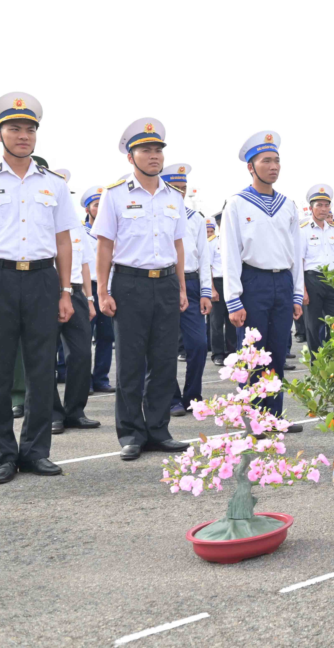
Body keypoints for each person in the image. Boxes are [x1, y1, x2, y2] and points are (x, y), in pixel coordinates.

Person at [0, 92, 79, 484]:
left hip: (41, 279)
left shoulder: (52, 183)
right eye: (14, 128)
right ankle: (3, 455)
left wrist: (65, 290)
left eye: (29, 129)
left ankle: (36, 452)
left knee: (41, 371)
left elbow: (63, 241)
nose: (23, 135)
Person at [92, 117, 190, 461]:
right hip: (129, 283)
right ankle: (131, 433)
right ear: (130, 157)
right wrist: (102, 291)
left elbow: (178, 245)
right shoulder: (115, 195)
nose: (154, 156)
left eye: (158, 150)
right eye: (145, 150)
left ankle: (159, 430)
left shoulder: (173, 196)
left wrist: (180, 287)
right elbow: (104, 246)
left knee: (163, 362)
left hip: (164, 283)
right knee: (131, 363)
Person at [219, 130, 304, 428]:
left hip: (282, 283)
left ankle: (274, 417)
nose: (274, 166)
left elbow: (296, 253)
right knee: (254, 356)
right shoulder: (237, 203)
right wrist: (233, 299)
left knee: (278, 353)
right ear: (250, 166)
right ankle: (254, 420)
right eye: (266, 160)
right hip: (252, 284)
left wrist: (296, 294)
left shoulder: (288, 204)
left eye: (277, 161)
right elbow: (229, 254)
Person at [158, 163, 212, 416]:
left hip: (191, 284)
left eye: (183, 188)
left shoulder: (196, 218)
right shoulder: (157, 214)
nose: (180, 193)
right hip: (165, 282)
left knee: (199, 344)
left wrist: (205, 292)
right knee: (165, 345)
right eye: (174, 188)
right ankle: (172, 398)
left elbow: (204, 258)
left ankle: (193, 395)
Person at [50, 174, 100, 435]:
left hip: (78, 293)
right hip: (49, 292)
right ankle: (52, 414)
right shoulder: (43, 222)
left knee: (81, 354)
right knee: (45, 357)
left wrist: (90, 300)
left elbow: (85, 265)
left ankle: (75, 411)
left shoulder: (78, 228)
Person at [299, 184, 334, 350]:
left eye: (327, 205)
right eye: (319, 205)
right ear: (311, 208)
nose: (323, 209)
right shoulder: (303, 231)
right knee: (313, 325)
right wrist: (302, 290)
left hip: (332, 280)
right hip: (312, 280)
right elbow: (299, 262)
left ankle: (333, 356)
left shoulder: (333, 231)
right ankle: (316, 364)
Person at [78, 185, 115, 393]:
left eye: (102, 204)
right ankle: (85, 380)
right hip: (87, 287)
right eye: (95, 205)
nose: (99, 208)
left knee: (106, 336)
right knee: (84, 336)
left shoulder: (112, 231)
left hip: (108, 287)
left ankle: (101, 378)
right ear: (87, 210)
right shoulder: (81, 232)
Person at [207, 215, 234, 366]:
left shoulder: (234, 240)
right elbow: (208, 267)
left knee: (232, 320)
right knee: (216, 322)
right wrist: (211, 289)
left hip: (231, 283)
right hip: (217, 283)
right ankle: (217, 354)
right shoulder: (212, 242)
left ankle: (231, 352)